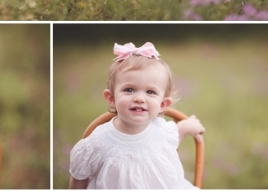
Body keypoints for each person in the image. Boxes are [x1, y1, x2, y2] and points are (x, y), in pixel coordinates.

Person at [69, 42, 205, 189]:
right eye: (129, 89)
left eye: (150, 92)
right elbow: (78, 181)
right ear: (111, 98)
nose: (139, 98)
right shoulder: (96, 144)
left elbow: (176, 134)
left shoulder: (163, 132)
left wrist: (187, 126)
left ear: (162, 105)